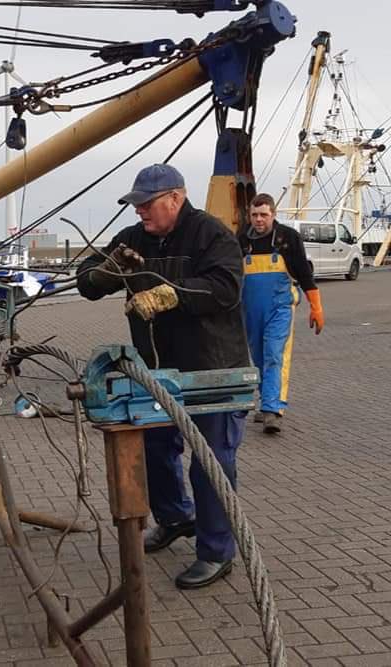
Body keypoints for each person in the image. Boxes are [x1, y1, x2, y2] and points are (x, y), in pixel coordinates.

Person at [76, 163, 250, 589]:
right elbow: (86, 281)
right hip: (157, 371)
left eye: (146, 204)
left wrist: (171, 294)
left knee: (210, 463)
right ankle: (175, 518)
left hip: (212, 370)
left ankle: (215, 551)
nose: (140, 213)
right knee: (153, 449)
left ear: (175, 198)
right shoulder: (133, 239)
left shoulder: (212, 234)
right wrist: (103, 271)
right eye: (135, 206)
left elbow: (226, 287)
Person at [240, 193, 324, 434]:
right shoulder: (242, 240)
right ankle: (267, 401)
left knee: (274, 354)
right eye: (254, 215)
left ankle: (272, 410)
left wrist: (316, 306)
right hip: (251, 309)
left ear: (273, 215)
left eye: (264, 215)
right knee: (258, 356)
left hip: (280, 308)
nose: (258, 220)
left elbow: (305, 275)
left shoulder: (288, 238)